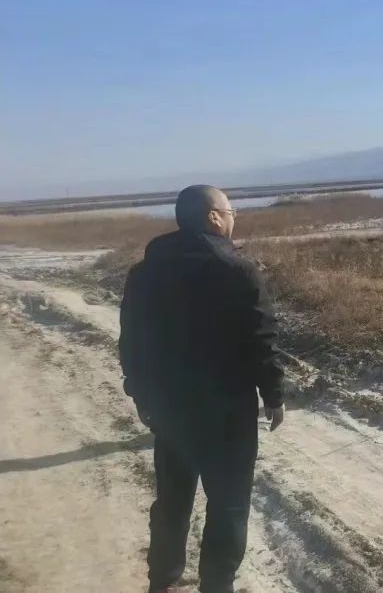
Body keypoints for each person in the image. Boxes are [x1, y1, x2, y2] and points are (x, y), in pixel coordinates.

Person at [120, 185, 285, 593]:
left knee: (172, 500)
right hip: (228, 411)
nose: (233, 219)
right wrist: (274, 394)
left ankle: (162, 581)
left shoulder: (144, 273)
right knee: (229, 503)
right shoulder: (237, 270)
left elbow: (132, 341)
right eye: (230, 211)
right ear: (213, 217)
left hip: (170, 409)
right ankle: (217, 584)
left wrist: (140, 393)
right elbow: (260, 338)